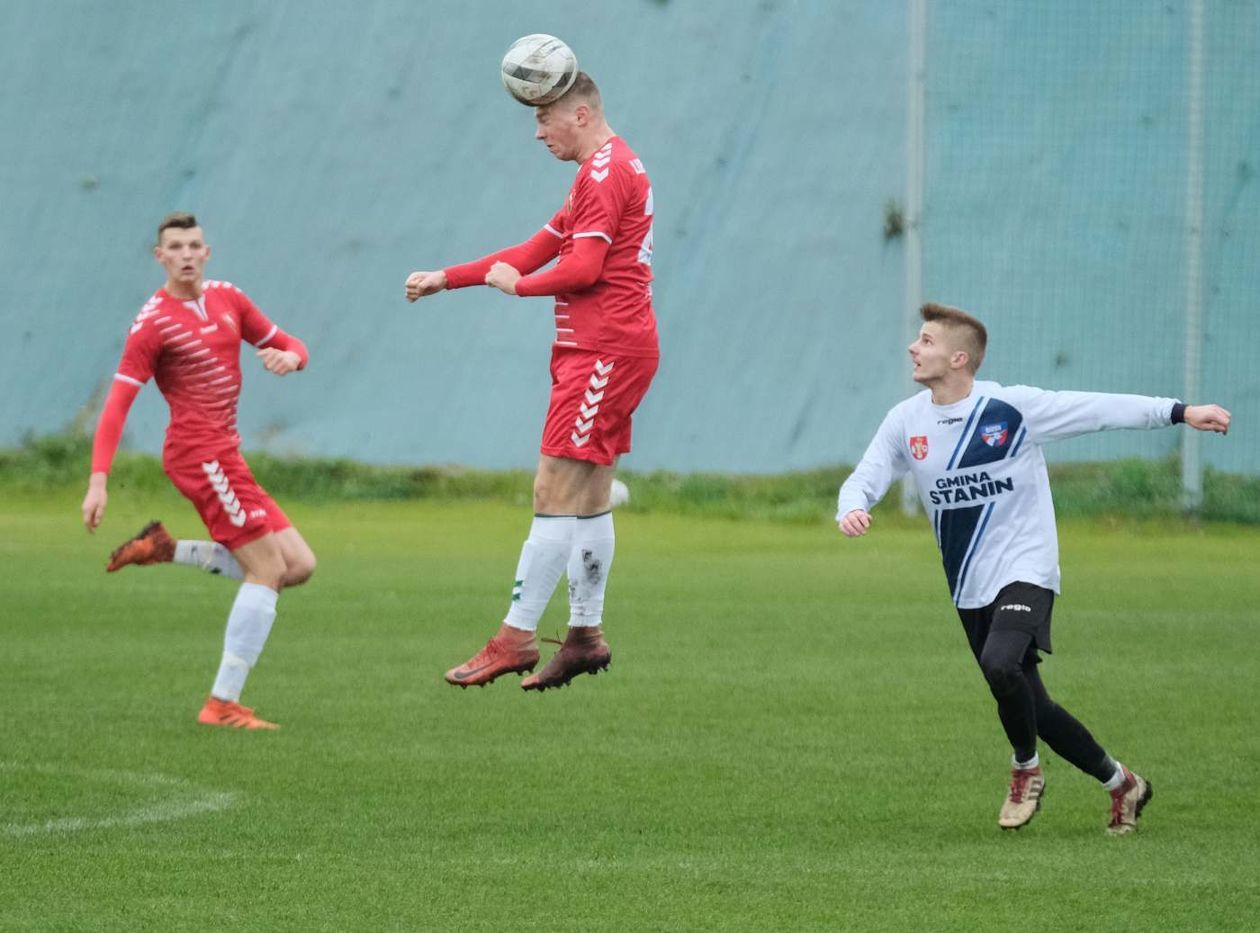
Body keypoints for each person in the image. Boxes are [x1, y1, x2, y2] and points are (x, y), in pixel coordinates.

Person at [836, 303, 1230, 833]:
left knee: (1001, 665)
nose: (913, 347)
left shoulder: (1010, 408)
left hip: (1027, 567)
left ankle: (1025, 769)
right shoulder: (906, 421)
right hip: (968, 583)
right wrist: (853, 506)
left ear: (958, 358)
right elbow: (866, 475)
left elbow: (1097, 409)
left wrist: (1179, 412)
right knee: (1032, 704)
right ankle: (1123, 784)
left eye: (926, 341)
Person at [404, 72, 658, 691]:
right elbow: (535, 247)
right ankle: (585, 635)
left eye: (544, 117)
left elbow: (582, 267)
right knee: (590, 494)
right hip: (608, 349)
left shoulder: (605, 173)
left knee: (553, 488)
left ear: (580, 114)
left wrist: (520, 289)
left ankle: (515, 637)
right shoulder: (599, 172)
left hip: (601, 351)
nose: (538, 132)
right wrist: (448, 277)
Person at [81, 212, 316, 730]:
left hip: (227, 454)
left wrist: (291, 360)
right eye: (175, 247)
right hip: (197, 454)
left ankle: (166, 549)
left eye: (194, 245)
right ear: (159, 257)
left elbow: (293, 344)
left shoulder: (230, 298)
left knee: (298, 565)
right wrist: (98, 481)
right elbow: (117, 404)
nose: (186, 254)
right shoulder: (152, 323)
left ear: (206, 253)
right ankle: (222, 704)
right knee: (267, 569)